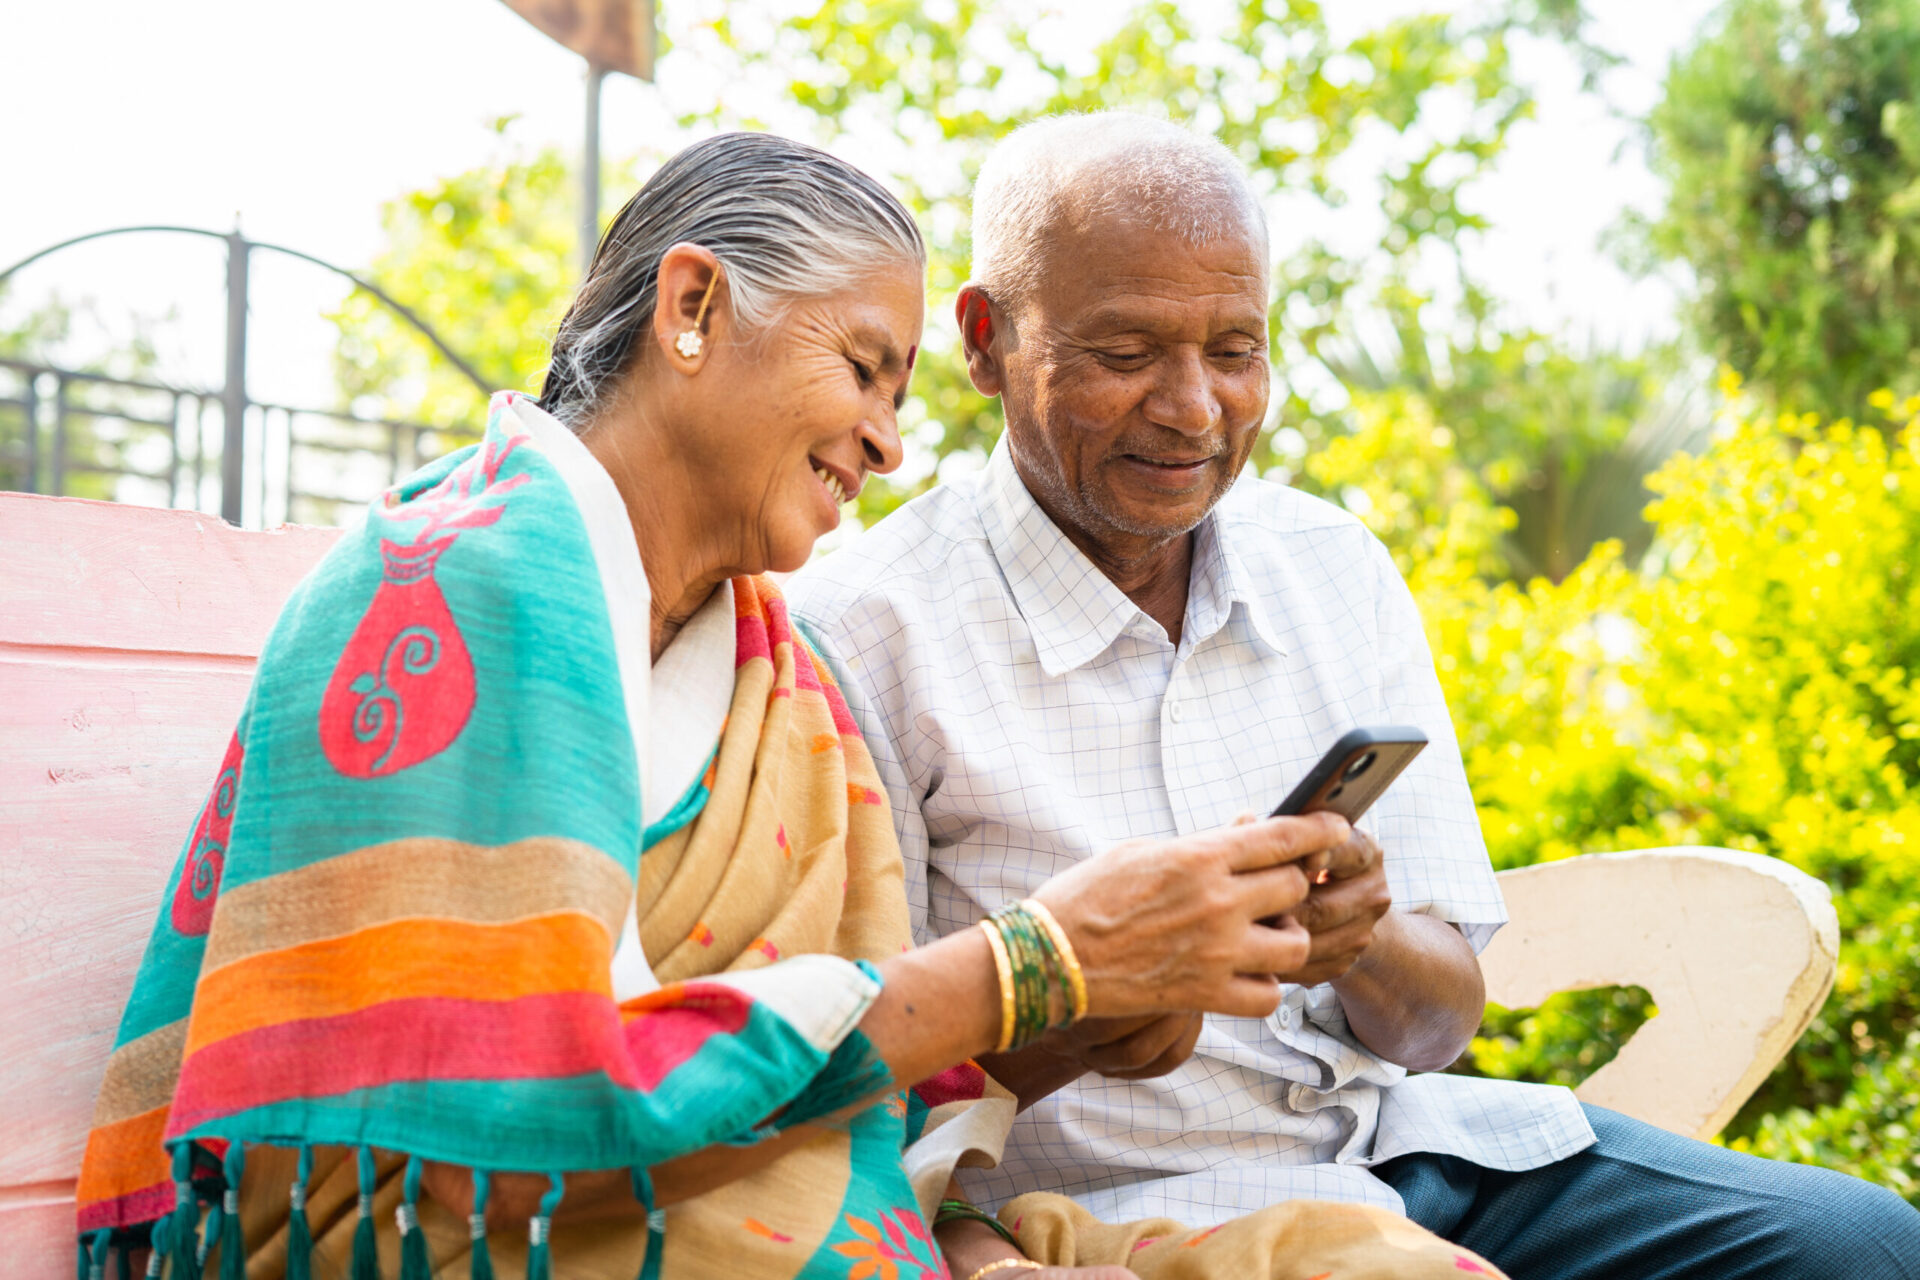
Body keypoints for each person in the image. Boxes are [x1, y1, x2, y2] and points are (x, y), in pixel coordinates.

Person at [72, 132, 1501, 1280]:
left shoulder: (767, 656)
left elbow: (844, 1066)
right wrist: (1041, 966)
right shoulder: (462, 577)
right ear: (694, 308)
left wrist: (1095, 1010)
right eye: (862, 371)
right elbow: (512, 1090)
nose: (887, 438)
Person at [787, 111, 1920, 1280]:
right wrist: (1091, 990)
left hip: (1404, 1162)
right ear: (984, 341)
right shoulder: (865, 632)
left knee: (1869, 1250)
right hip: (1093, 1219)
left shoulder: (1329, 563)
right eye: (1127, 355)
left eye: (1235, 350)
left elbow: (1437, 1025)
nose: (1192, 408)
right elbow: (856, 1095)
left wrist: (1359, 933)